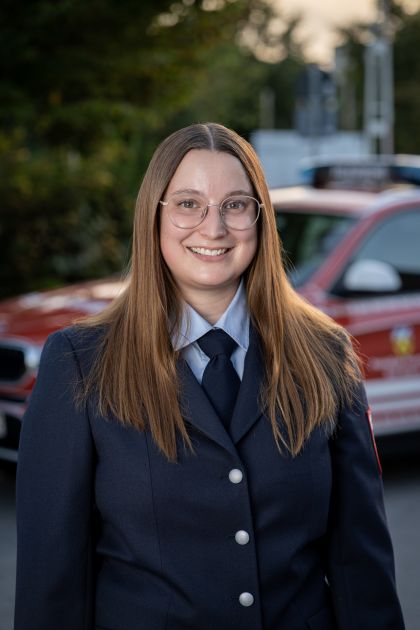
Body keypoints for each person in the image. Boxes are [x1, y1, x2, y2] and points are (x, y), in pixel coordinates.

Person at [14, 123, 404, 630]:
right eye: (188, 204)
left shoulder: (325, 354)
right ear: (153, 215)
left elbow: (361, 566)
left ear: (260, 218)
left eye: (235, 205)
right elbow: (52, 579)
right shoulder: (80, 361)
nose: (213, 227)